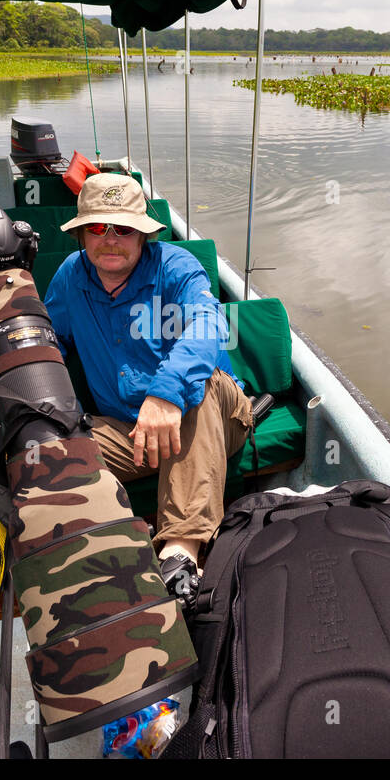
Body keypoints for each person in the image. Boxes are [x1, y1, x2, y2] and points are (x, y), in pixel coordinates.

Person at [42, 174, 252, 592]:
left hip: (212, 416)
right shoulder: (70, 277)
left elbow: (209, 324)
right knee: (46, 451)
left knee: (200, 386)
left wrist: (165, 394)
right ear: (83, 233)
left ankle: (181, 555)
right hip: (128, 429)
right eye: (98, 228)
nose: (111, 239)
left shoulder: (175, 268)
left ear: (142, 233)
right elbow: (53, 344)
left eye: (123, 228)